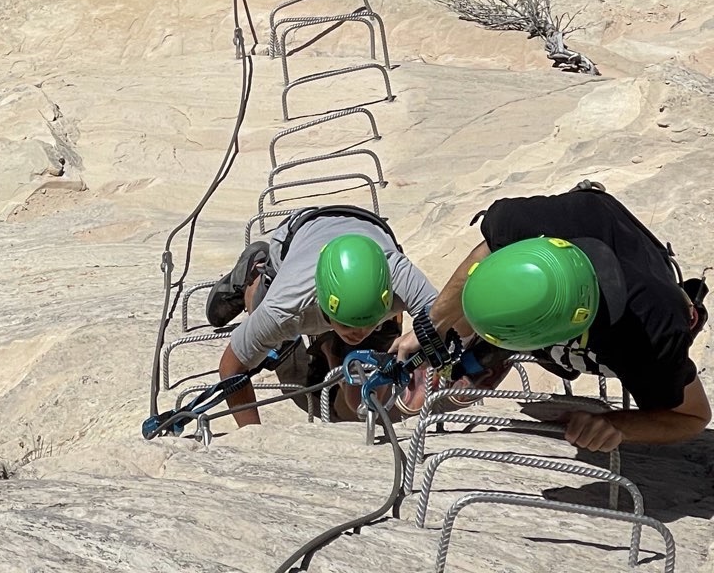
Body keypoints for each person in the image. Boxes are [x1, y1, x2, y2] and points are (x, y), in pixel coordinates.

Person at [395, 182, 711, 450]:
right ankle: (475, 348)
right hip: (587, 216)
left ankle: (490, 353)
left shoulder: (652, 333)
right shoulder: (516, 225)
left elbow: (694, 417)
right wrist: (432, 324)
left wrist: (616, 423)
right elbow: (485, 254)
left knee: (640, 365)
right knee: (464, 310)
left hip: (639, 302)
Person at [206, 206, 438, 426]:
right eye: (347, 325)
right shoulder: (285, 304)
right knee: (275, 347)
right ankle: (254, 270)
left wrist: (426, 355)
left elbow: (447, 318)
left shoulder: (399, 277)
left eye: (369, 324)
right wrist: (251, 437)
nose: (359, 333)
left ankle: (332, 347)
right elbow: (232, 367)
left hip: (369, 229)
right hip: (298, 235)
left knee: (359, 405)